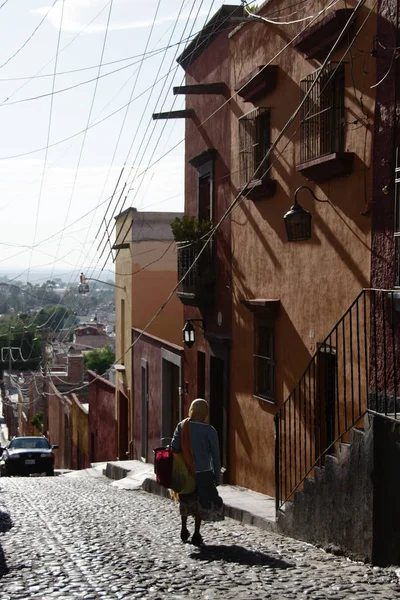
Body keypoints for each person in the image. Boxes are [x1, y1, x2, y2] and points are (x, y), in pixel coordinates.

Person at [170, 398, 224, 546]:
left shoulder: (182, 426)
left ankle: (183, 528)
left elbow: (174, 448)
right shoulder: (210, 430)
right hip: (204, 473)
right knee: (200, 503)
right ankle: (196, 533)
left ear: (191, 410)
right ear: (205, 412)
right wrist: (217, 477)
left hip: (185, 471)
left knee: (186, 500)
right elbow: (216, 456)